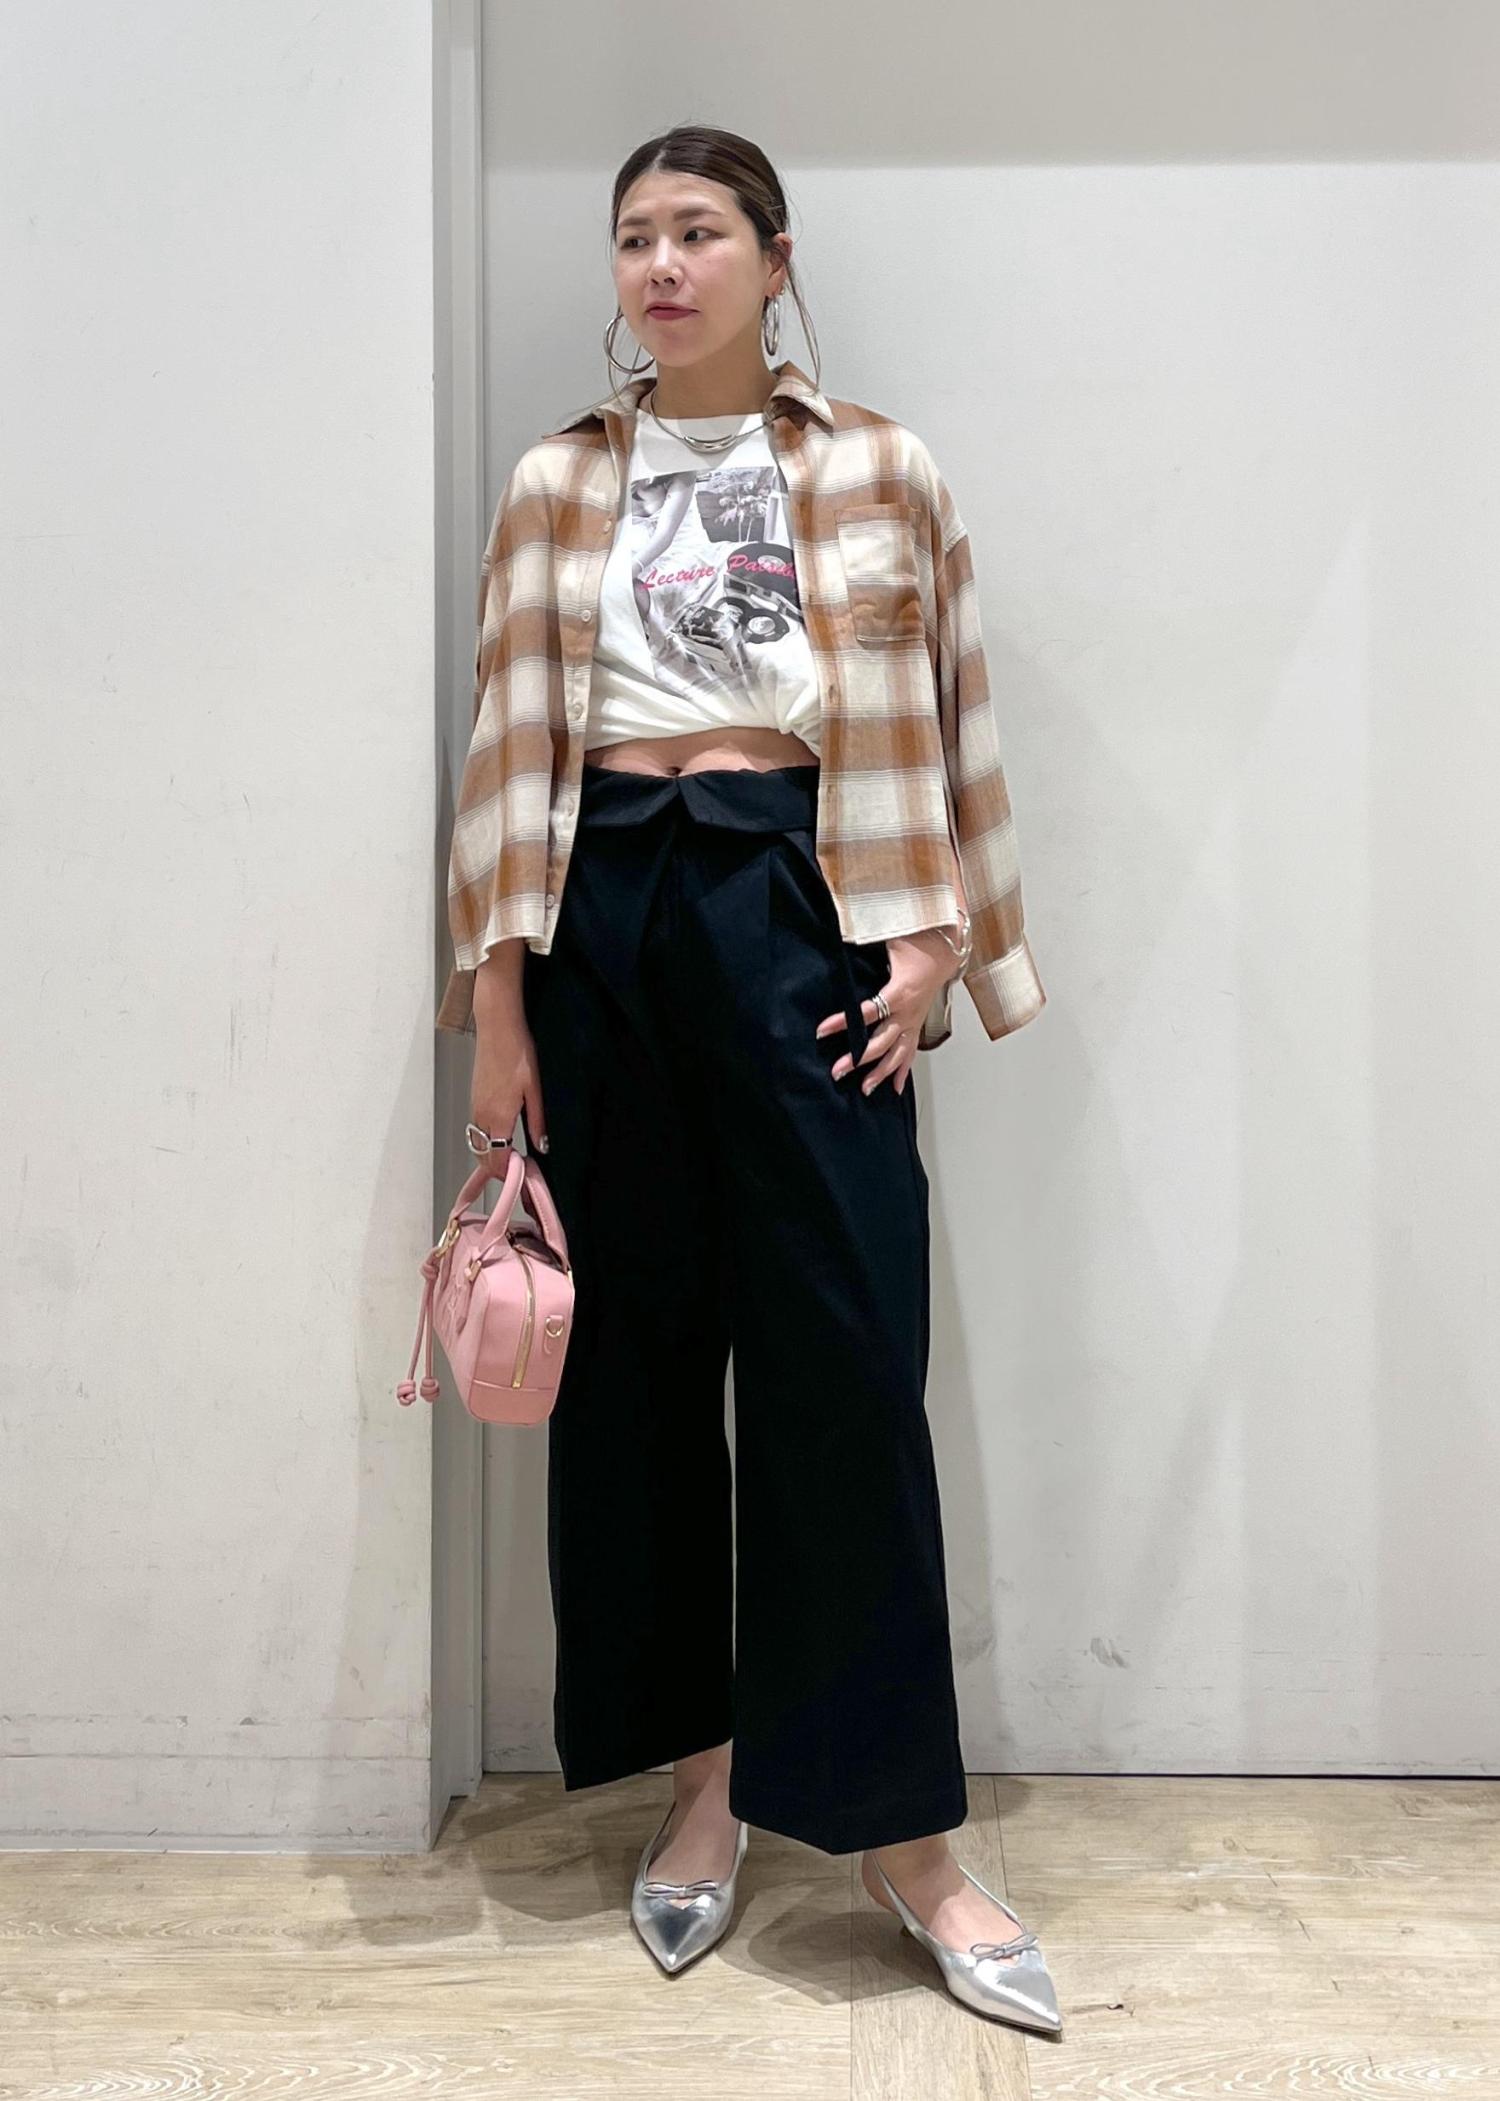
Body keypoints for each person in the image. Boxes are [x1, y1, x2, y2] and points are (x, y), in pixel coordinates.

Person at [435, 124, 1058, 2033]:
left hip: (803, 896)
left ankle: (903, 1837)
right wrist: (498, 1006)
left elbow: (951, 705)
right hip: (605, 903)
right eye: (635, 235)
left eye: (700, 231)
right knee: (637, 1367)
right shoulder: (560, 480)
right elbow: (502, 741)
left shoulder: (879, 464)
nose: (663, 264)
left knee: (845, 1364)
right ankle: (704, 1778)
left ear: (775, 260)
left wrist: (939, 943)